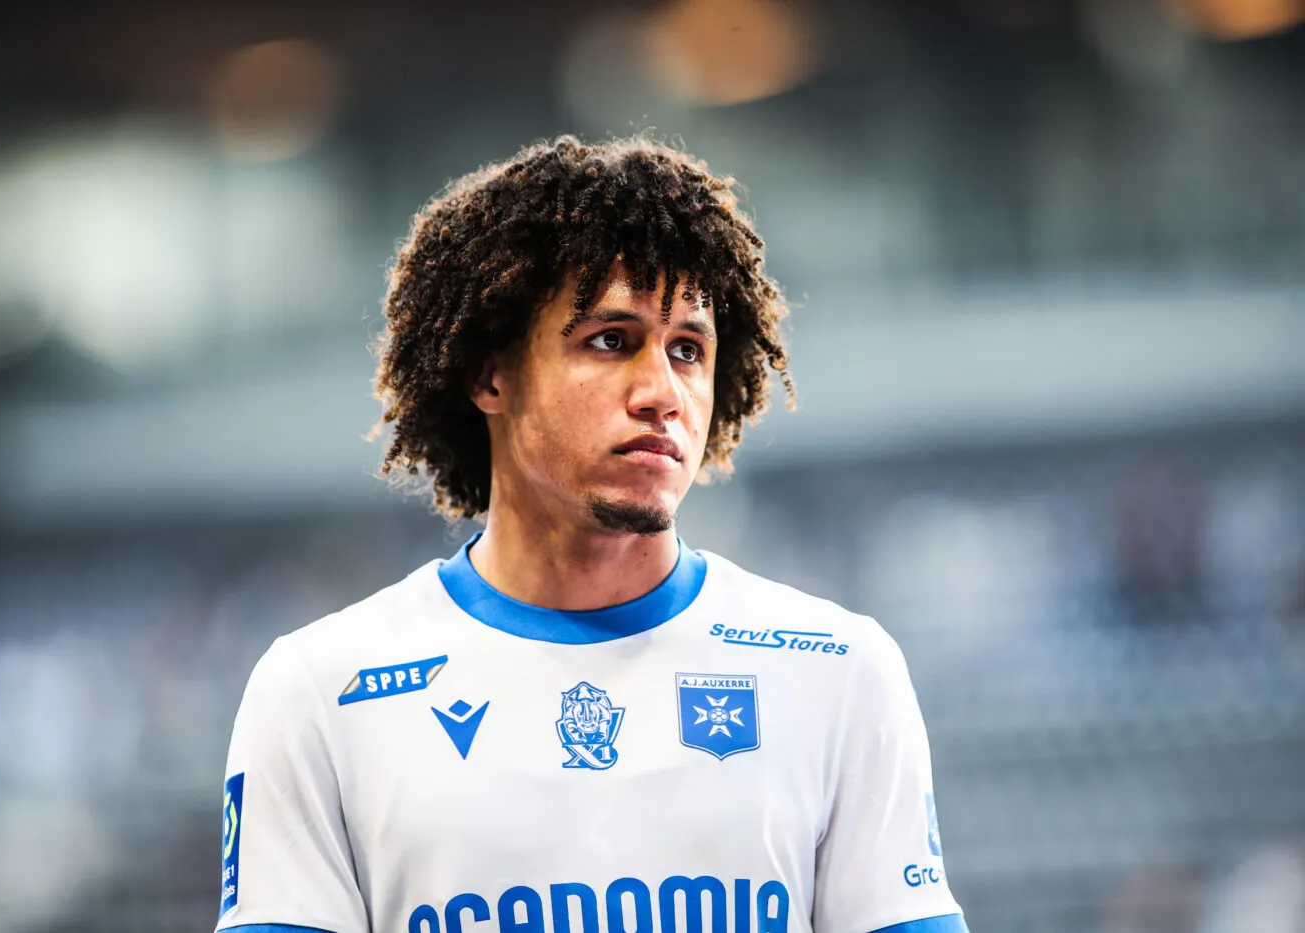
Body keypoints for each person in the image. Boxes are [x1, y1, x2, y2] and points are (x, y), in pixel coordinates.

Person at [215, 135, 967, 933]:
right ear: (488, 373)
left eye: (688, 349)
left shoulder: (842, 672)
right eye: (610, 341)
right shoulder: (320, 692)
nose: (661, 391)